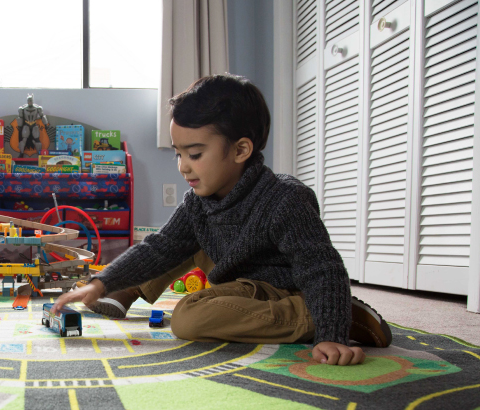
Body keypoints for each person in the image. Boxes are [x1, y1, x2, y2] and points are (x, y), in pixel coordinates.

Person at [52, 74, 392, 366]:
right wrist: (102, 282)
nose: (183, 166)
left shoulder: (286, 199)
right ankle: (125, 289)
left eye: (195, 154)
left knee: (188, 319)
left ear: (241, 151)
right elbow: (162, 247)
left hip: (282, 288)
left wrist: (331, 332)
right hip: (238, 273)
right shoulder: (199, 201)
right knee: (174, 242)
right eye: (179, 154)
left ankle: (331, 316)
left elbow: (321, 267)